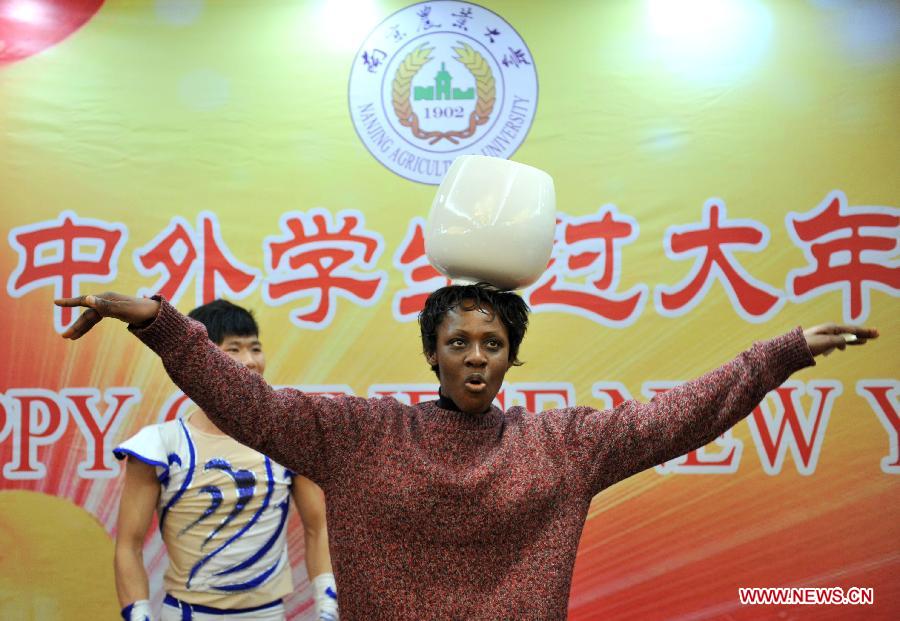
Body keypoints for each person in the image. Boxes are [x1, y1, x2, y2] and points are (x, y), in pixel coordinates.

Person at [57, 284, 877, 620]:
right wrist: (152, 317)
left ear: (513, 356)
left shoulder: (566, 443)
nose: (477, 354)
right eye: (459, 340)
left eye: (493, 341)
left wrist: (782, 352)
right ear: (433, 354)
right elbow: (247, 401)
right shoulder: (361, 435)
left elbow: (680, 415)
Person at [111, 299, 339, 621]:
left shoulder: (290, 438)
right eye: (233, 350)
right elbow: (128, 546)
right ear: (203, 361)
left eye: (255, 348)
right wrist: (139, 614)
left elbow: (318, 528)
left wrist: (327, 605)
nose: (250, 362)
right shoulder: (161, 445)